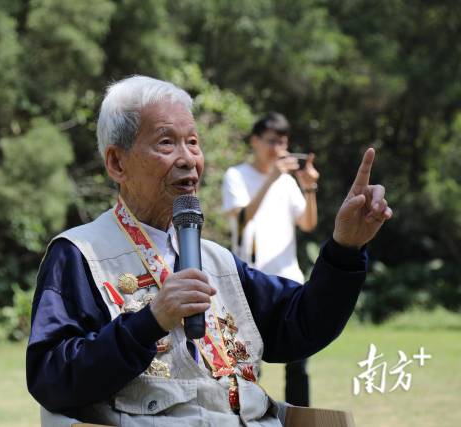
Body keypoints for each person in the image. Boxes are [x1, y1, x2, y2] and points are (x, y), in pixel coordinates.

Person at [26, 75, 392, 427]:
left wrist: (346, 247)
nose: (188, 159)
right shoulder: (79, 254)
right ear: (117, 163)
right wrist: (149, 321)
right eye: (167, 143)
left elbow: (301, 325)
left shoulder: (217, 261)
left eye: (193, 142)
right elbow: (51, 379)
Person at [221, 112, 318, 407]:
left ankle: (301, 421)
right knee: (249, 365)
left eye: (283, 142)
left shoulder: (288, 183)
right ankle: (249, 419)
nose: (278, 148)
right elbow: (241, 219)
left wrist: (310, 187)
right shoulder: (236, 176)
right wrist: (272, 177)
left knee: (299, 365)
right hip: (250, 283)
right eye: (272, 141)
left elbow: (308, 224)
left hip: (291, 280)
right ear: (255, 141)